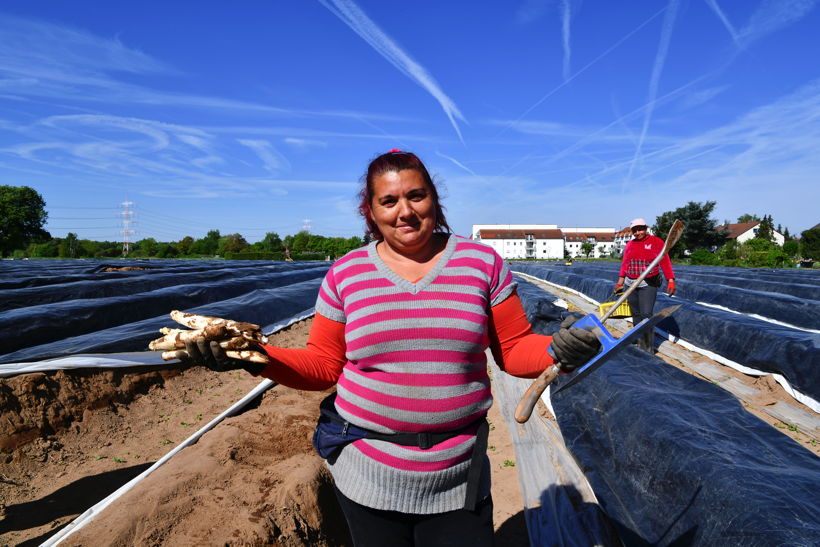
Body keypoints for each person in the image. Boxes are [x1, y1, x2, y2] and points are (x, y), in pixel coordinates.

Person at [183, 150, 601, 546]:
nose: (405, 211)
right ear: (371, 211)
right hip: (368, 471)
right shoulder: (346, 274)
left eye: (416, 195)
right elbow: (323, 366)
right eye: (389, 201)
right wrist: (253, 357)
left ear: (434, 201)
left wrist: (555, 351)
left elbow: (513, 350)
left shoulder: (481, 264)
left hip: (457, 472)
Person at [615, 218, 676, 353]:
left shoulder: (656, 242)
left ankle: (647, 346)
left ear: (646, 228)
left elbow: (665, 261)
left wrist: (670, 279)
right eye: (635, 230)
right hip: (630, 283)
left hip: (647, 282)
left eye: (640, 229)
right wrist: (620, 281)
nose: (638, 233)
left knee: (646, 314)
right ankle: (638, 339)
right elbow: (625, 263)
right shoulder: (630, 244)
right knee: (635, 313)